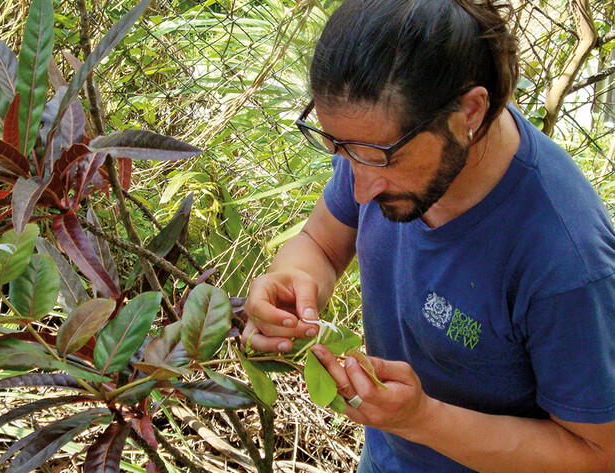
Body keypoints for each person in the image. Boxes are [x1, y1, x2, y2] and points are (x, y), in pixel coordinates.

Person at [241, 0, 615, 472]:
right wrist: (294, 279)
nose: (359, 189)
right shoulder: (375, 140)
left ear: (469, 112)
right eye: (339, 150)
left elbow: (598, 455)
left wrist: (422, 420)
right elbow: (320, 242)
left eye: (380, 158)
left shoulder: (567, 260)